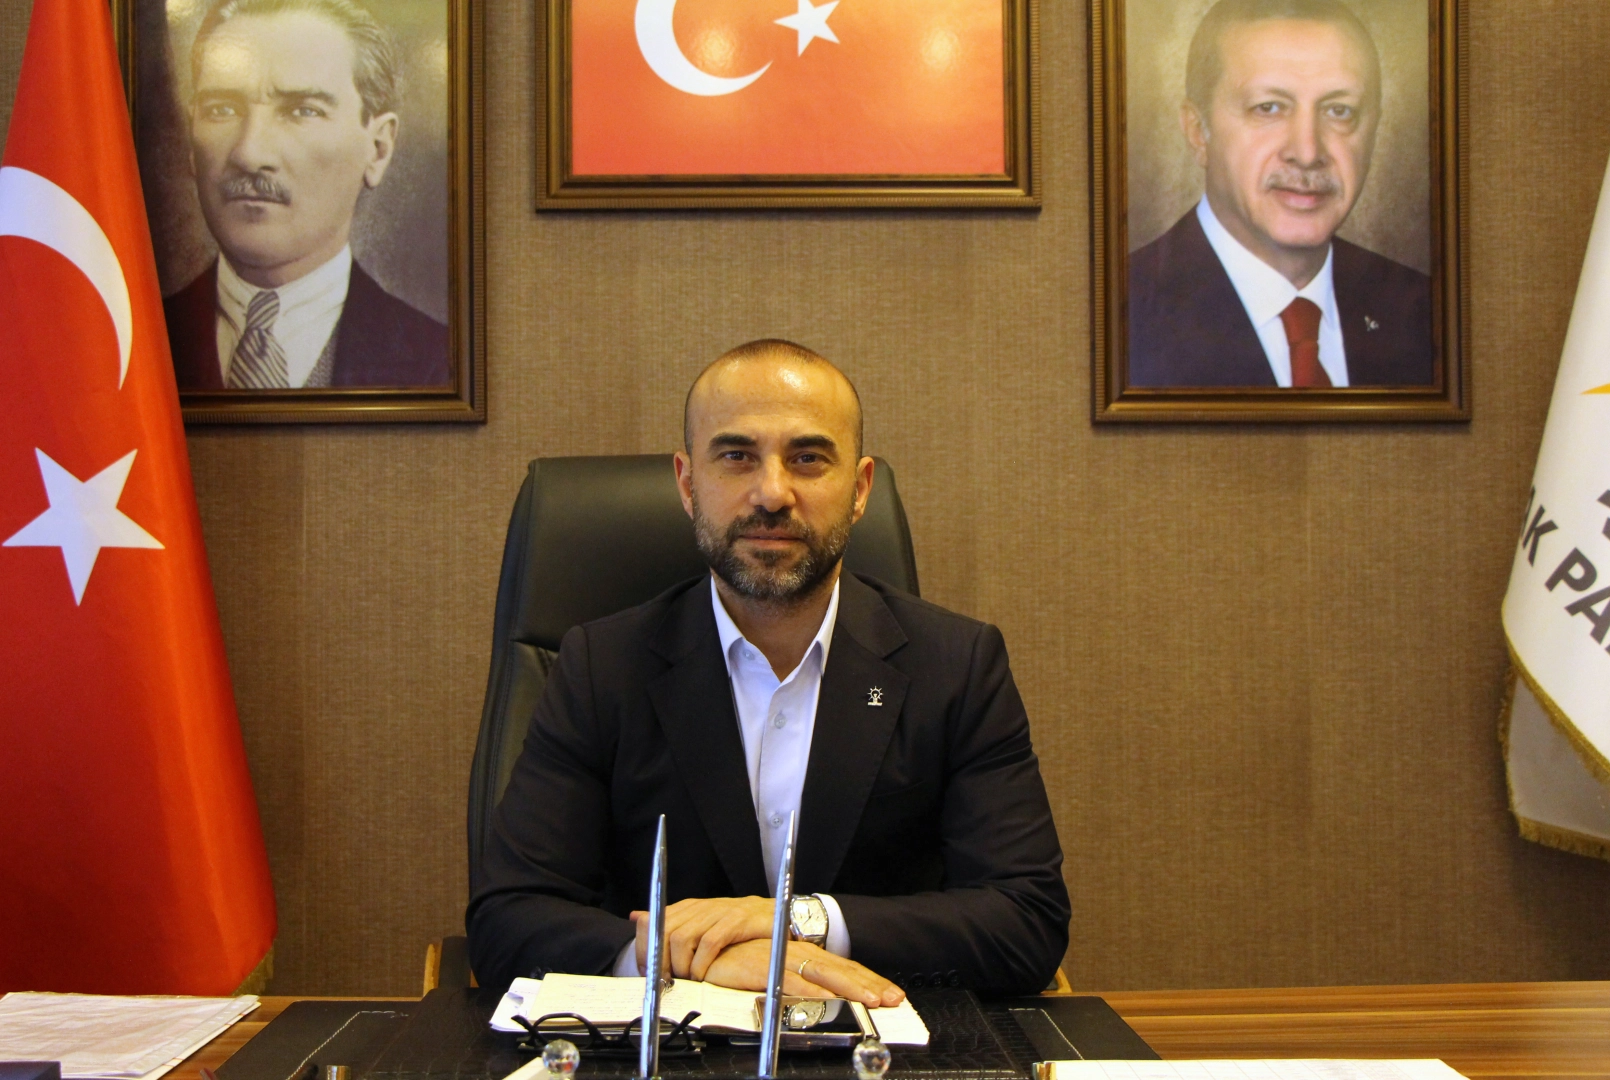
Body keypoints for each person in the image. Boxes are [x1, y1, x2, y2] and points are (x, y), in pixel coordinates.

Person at [467, 340, 1070, 1003]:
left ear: (859, 489)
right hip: (667, 1043)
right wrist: (687, 959)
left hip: (881, 1040)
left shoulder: (956, 665)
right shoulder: (599, 667)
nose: (772, 493)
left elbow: (1026, 919)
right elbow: (508, 920)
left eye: (808, 459)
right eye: (736, 457)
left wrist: (796, 923)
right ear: (687, 484)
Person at [1129, 0, 1432, 389]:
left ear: (1374, 131)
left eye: (1339, 111)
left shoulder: (1426, 314)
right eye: (1268, 108)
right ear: (1197, 131)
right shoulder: (1120, 317)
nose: (1307, 152)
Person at [164, 0, 449, 390]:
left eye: (303, 111)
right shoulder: (131, 345)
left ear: (378, 149)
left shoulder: (439, 362)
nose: (249, 154)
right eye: (222, 110)